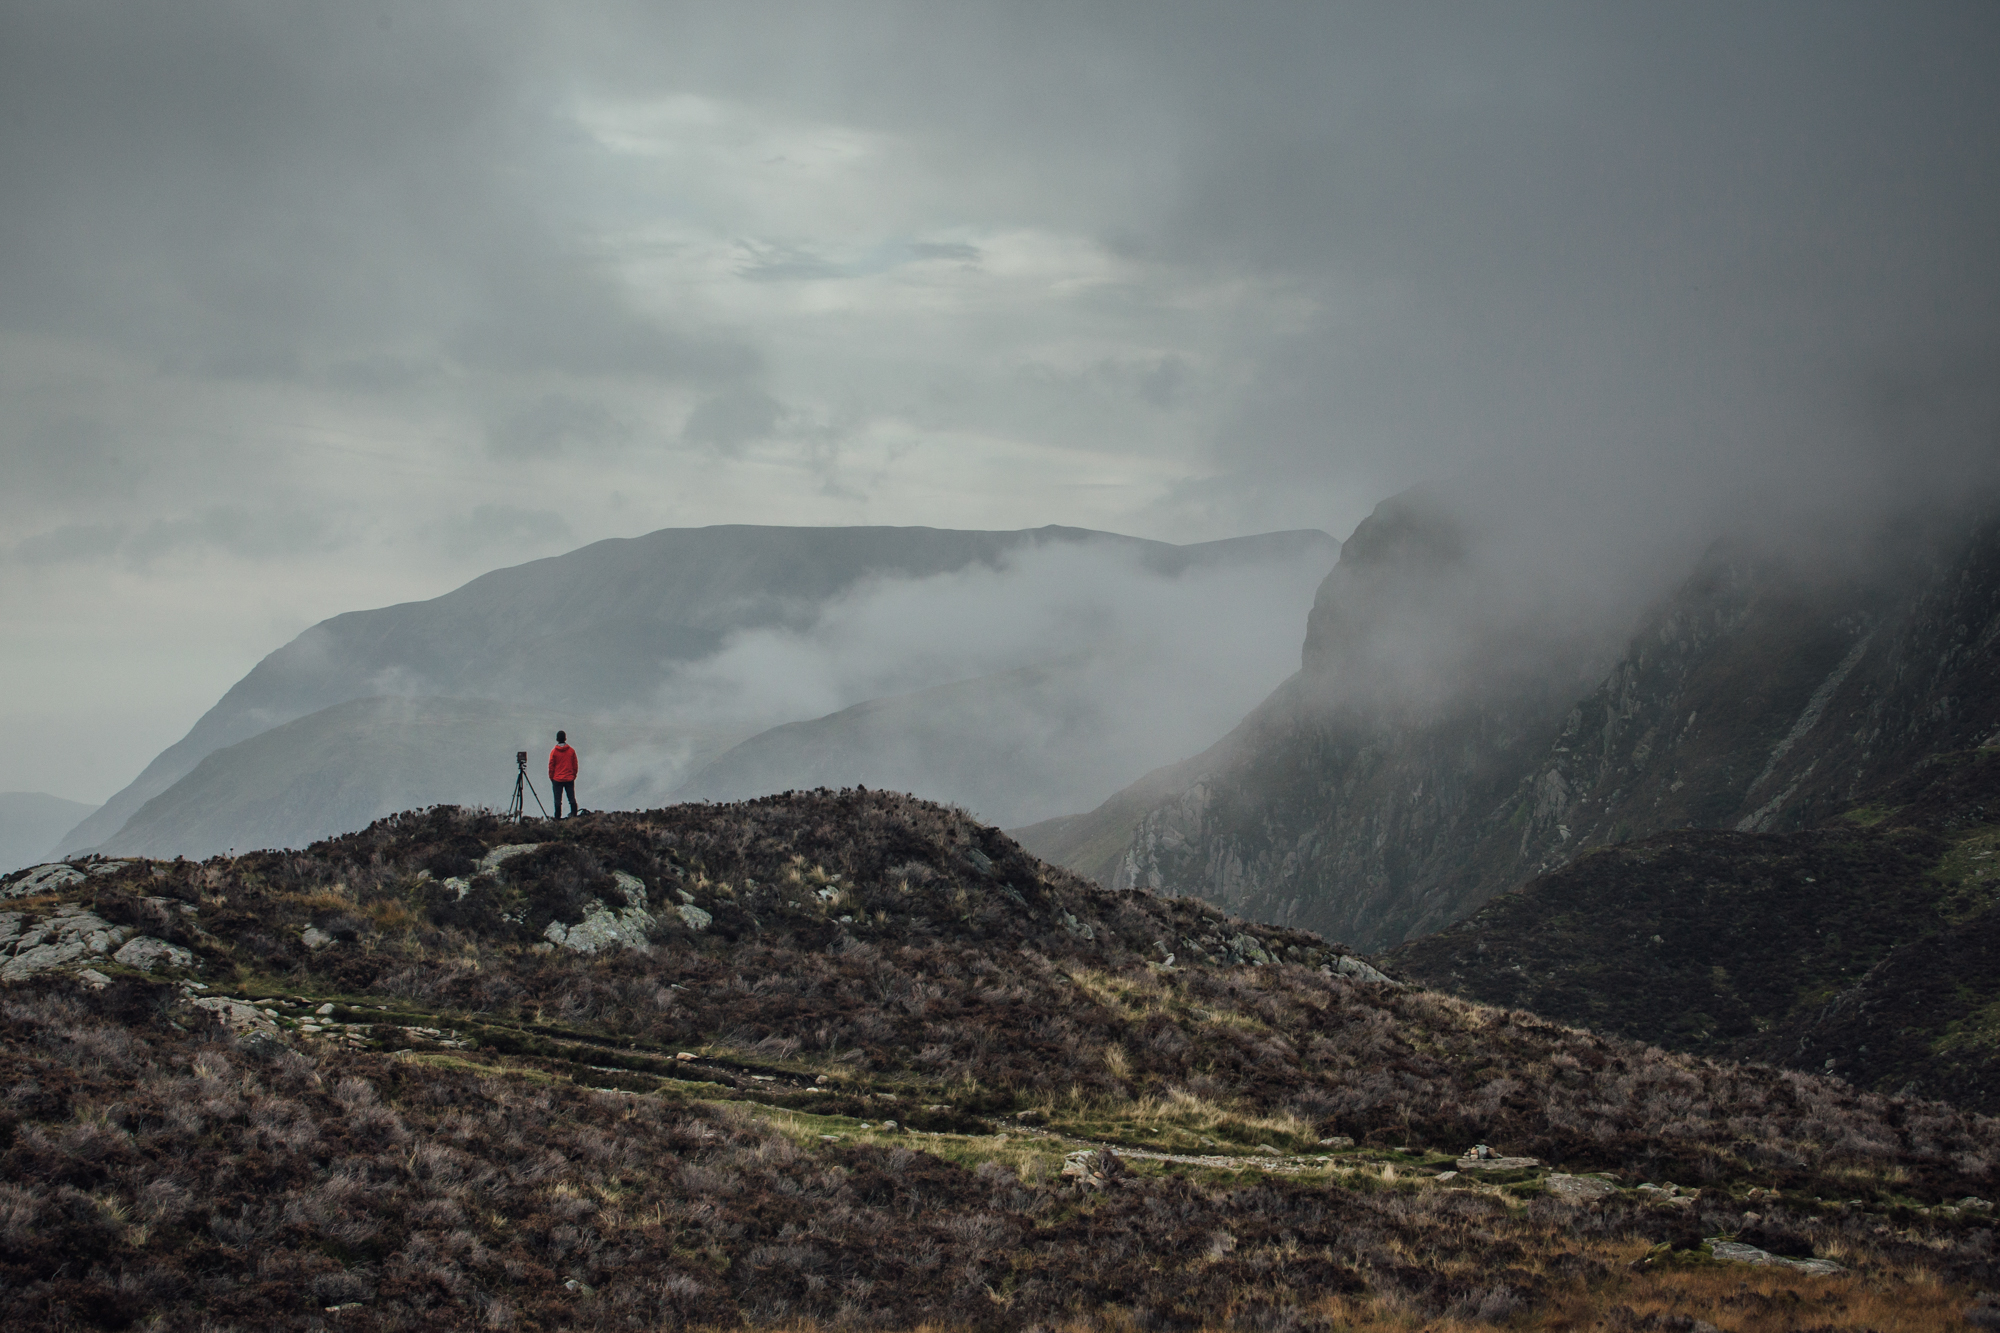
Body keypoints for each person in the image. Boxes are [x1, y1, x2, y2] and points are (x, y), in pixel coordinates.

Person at [549, 730, 579, 819]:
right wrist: (573, 775)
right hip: (569, 778)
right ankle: (574, 816)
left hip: (557, 779)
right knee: (572, 799)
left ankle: (558, 818)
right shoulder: (571, 751)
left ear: (557, 739)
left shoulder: (554, 752)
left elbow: (551, 766)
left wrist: (552, 778)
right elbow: (575, 765)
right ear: (565, 738)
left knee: (557, 801)